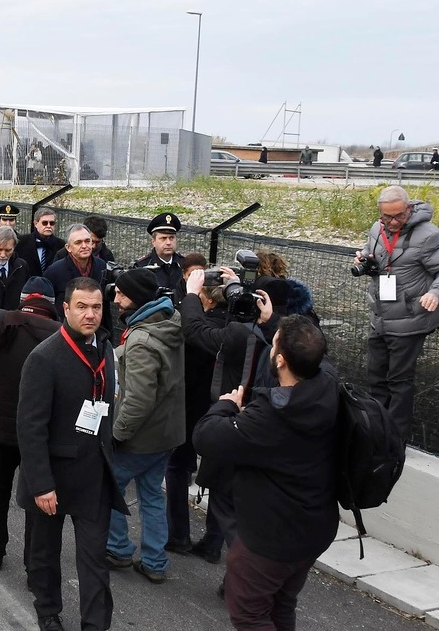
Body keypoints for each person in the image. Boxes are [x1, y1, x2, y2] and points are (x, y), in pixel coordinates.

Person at [193, 315, 339, 630]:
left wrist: (226, 405)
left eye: (274, 344)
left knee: (249, 615)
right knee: (281, 605)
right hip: (315, 527)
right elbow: (309, 354)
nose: (270, 348)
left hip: (271, 537)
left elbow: (205, 437)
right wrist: (273, 322)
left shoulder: (270, 417)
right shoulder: (328, 385)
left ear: (281, 359)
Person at [18, 277, 129, 631]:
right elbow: (30, 427)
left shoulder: (106, 350)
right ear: (65, 309)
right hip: (52, 477)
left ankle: (95, 625)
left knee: (94, 559)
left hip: (93, 474)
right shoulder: (44, 357)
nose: (90, 314)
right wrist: (40, 485)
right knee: (45, 553)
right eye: (81, 307)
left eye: (96, 307)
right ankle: (48, 612)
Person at [354, 185, 439, 441]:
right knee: (376, 376)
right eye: (386, 217)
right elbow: (374, 255)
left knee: (399, 382)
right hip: (380, 317)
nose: (392, 222)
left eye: (399, 216)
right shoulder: (376, 229)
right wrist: (361, 259)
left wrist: (436, 293)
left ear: (409, 209)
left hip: (411, 319)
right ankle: (377, 432)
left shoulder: (428, 235)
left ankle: (395, 440)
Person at [0, 277, 62, 572]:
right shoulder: (61, 335)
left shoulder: (4, 322)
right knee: (38, 499)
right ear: (52, 304)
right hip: (41, 433)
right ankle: (33, 563)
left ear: (23, 299)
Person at [103, 267, 185, 584]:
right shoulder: (170, 320)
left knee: (107, 487)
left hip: (141, 438)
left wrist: (115, 434)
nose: (116, 298)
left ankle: (118, 548)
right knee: (151, 494)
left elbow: (138, 400)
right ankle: (154, 561)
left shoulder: (140, 340)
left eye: (122, 294)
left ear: (136, 299)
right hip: (168, 432)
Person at [165, 253, 227, 562]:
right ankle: (214, 541)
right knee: (218, 475)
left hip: (190, 408)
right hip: (222, 411)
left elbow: (190, 328)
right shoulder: (233, 324)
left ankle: (179, 535)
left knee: (177, 468)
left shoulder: (200, 329)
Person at [44, 224, 110, 306]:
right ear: (68, 248)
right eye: (78, 243)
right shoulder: (54, 271)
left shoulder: (101, 265)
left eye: (87, 241)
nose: (84, 246)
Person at [136, 212, 185, 297]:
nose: (168, 243)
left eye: (171, 238)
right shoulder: (142, 266)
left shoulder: (184, 264)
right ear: (153, 241)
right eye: (163, 238)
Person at [17, 207, 64, 278]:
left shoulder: (61, 245)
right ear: (36, 223)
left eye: (52, 223)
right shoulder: (21, 242)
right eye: (45, 223)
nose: (48, 226)